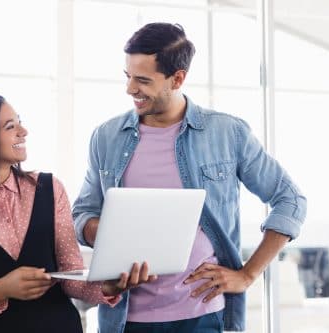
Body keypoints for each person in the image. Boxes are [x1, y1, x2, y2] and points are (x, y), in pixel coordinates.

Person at [72, 23, 307, 333]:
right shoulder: (106, 137)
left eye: (143, 80)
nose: (130, 90)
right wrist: (105, 232)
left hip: (204, 316)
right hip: (126, 318)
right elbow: (83, 212)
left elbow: (290, 200)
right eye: (128, 77)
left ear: (178, 78)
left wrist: (248, 274)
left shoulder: (227, 133)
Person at [0, 94, 153, 333]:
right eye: (10, 126)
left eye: (19, 122)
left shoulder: (50, 189)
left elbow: (70, 277)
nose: (23, 131)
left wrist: (109, 288)